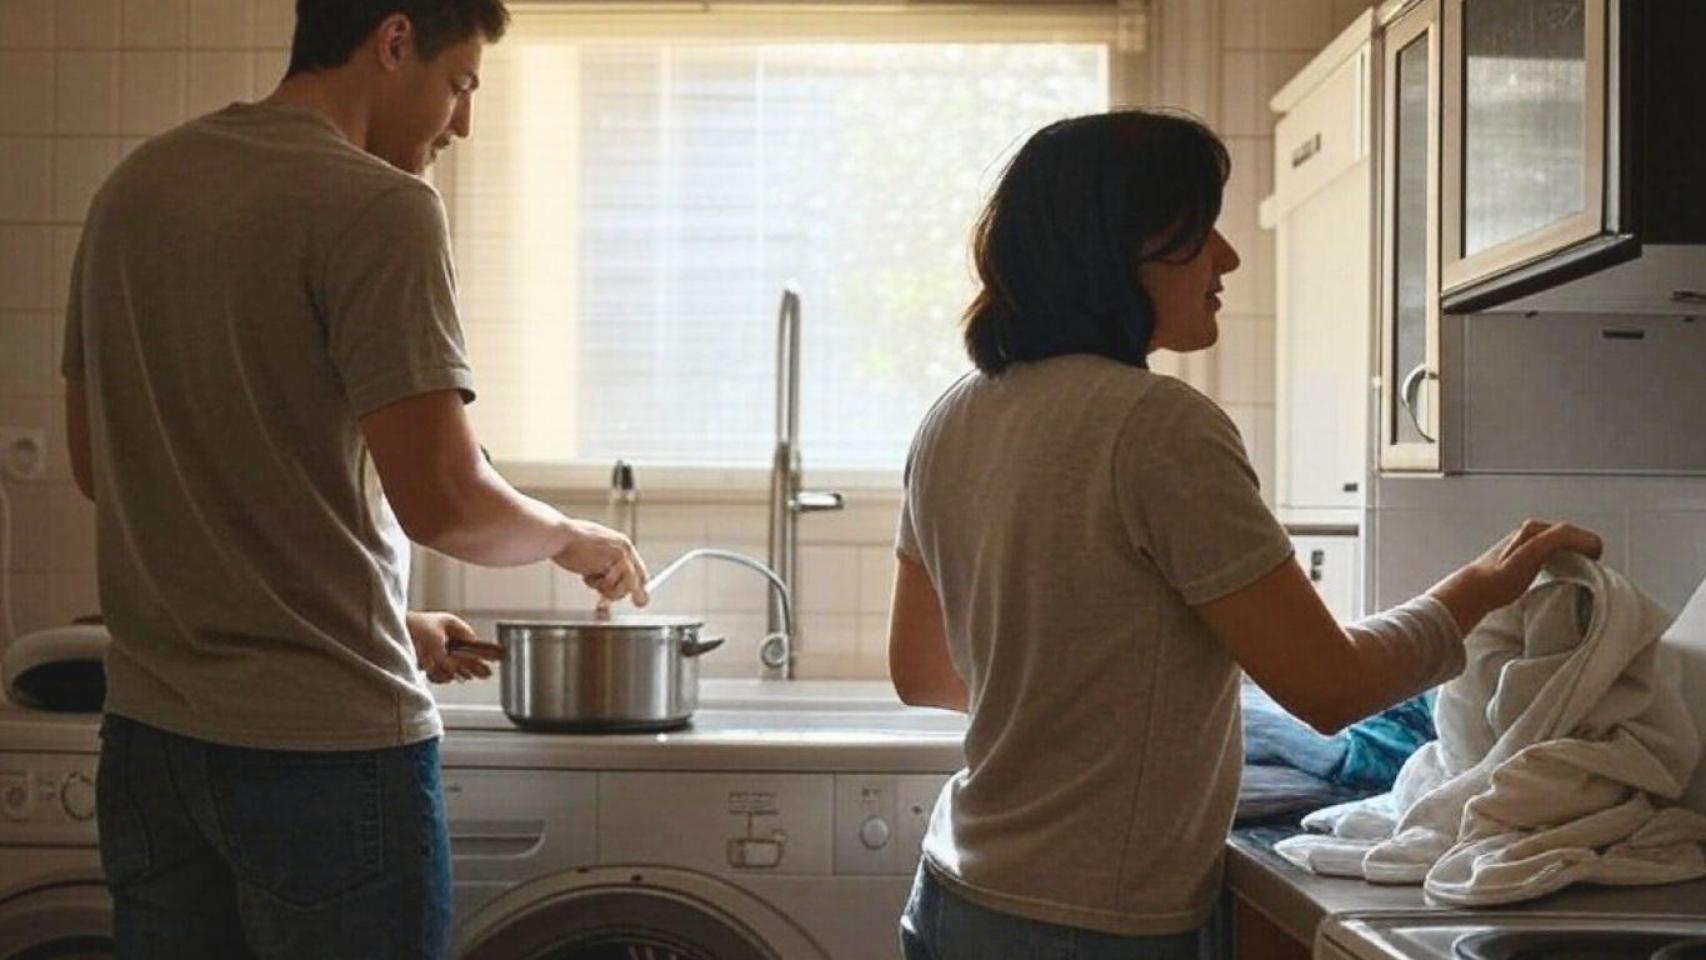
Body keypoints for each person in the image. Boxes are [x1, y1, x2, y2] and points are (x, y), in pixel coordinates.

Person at [886, 109, 1601, 958]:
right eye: (1199, 233)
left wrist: (1088, 704)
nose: (1227, 258)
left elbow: (922, 669)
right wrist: (1483, 586)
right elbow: (1330, 688)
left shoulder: (955, 416)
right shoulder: (1156, 425)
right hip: (1088, 924)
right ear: (1120, 250)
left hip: (956, 896)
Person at [61, 2, 649, 956]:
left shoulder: (135, 188)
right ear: (394, 40)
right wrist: (573, 538)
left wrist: (377, 618)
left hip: (150, 748)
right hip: (325, 763)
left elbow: (108, 470)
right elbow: (445, 503)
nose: (461, 125)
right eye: (460, 85)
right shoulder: (378, 205)